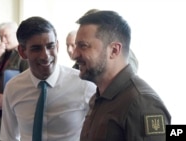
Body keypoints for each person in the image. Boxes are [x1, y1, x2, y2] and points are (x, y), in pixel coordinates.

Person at [73, 10, 171, 141]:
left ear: (114, 50)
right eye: (76, 46)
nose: (74, 55)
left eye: (83, 46)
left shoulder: (142, 103)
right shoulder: (98, 97)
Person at [0, 16, 96, 141]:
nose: (45, 55)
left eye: (50, 46)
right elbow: (8, 137)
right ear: (22, 52)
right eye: (36, 49)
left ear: (57, 46)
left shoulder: (84, 85)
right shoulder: (13, 88)